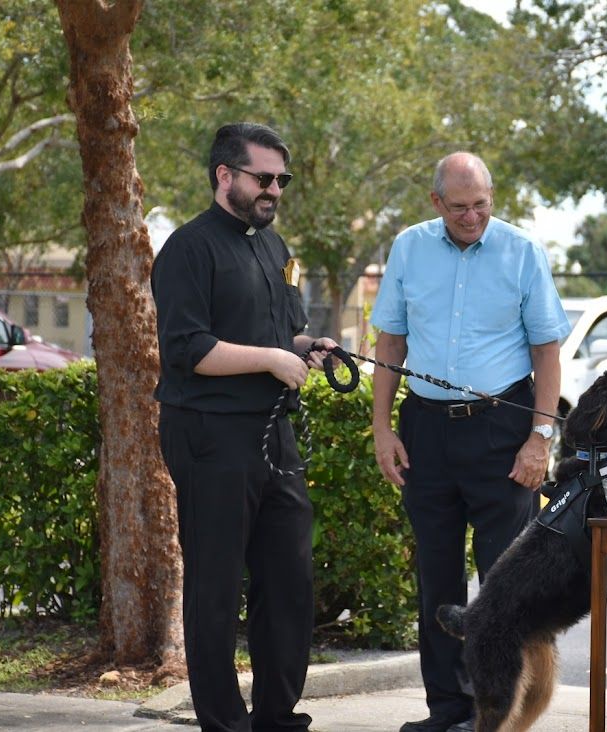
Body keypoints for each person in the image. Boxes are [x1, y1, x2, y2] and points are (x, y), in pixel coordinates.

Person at [370, 152, 569, 732]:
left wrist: (540, 438)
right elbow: (390, 344)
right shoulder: (409, 247)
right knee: (436, 577)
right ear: (436, 203)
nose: (472, 215)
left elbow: (546, 352)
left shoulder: (523, 252)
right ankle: (446, 712)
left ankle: (498, 715)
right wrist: (382, 428)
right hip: (425, 432)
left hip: (501, 430)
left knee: (505, 587)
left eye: (481, 204)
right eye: (459, 207)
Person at [151, 122, 338, 732]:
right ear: (224, 175)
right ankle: (225, 724)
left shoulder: (273, 247)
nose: (274, 190)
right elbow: (189, 349)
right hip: (209, 435)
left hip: (273, 432)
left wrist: (310, 346)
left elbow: (282, 335)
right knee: (215, 584)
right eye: (263, 178)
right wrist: (270, 359)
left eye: (281, 180)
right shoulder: (188, 248)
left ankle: (276, 716)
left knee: (289, 578)